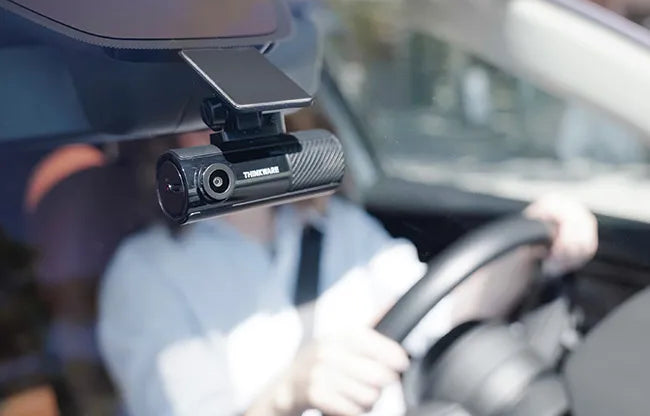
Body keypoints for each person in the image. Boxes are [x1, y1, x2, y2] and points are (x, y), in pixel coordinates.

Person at [98, 109, 598, 416]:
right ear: (170, 134)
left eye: (254, 115)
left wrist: (533, 243)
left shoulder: (336, 226)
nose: (232, 137)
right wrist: (288, 394)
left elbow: (442, 308)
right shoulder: (145, 272)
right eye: (207, 119)